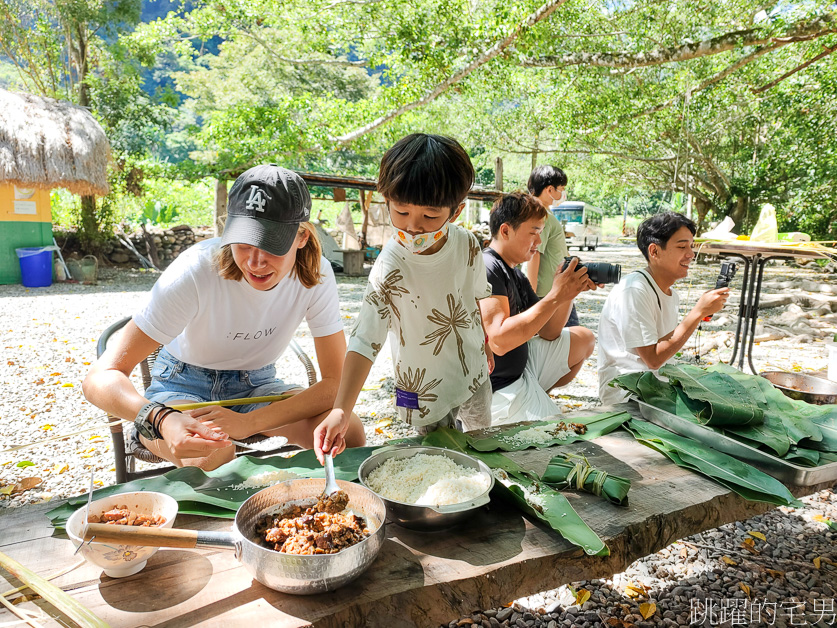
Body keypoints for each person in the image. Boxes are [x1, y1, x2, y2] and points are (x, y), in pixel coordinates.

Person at [82, 165, 365, 470]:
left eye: (272, 245)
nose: (255, 262)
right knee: (213, 454)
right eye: (244, 242)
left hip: (258, 384)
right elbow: (98, 378)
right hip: (181, 387)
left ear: (302, 237)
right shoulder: (195, 270)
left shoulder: (317, 273)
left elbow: (335, 384)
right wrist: (160, 418)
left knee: (349, 433)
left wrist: (248, 421)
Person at [313, 133, 493, 462]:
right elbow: (365, 340)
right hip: (423, 389)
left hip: (474, 373)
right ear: (387, 201)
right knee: (440, 462)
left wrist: (486, 345)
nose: (412, 227)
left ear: (456, 211)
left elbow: (474, 299)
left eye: (429, 216)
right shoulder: (391, 265)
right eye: (401, 211)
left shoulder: (468, 244)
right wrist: (341, 409)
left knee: (484, 449)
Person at [480, 193, 597, 425]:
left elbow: (549, 332)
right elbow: (499, 342)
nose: (538, 242)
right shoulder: (487, 266)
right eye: (533, 233)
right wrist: (555, 296)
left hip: (523, 372)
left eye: (540, 234)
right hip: (497, 387)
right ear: (505, 231)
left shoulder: (514, 272)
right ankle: (520, 408)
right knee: (557, 435)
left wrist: (568, 294)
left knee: (584, 337)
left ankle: (535, 395)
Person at [597, 211, 730, 405]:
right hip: (629, 393)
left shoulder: (669, 293)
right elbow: (653, 359)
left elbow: (662, 349)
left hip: (658, 384)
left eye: (691, 246)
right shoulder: (634, 290)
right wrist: (697, 313)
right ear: (655, 251)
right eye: (682, 246)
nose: (691, 254)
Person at [524, 164, 580, 326]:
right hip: (550, 293)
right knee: (569, 341)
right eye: (561, 188)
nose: (562, 193)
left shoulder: (537, 212)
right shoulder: (541, 215)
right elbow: (533, 254)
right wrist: (531, 297)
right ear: (550, 190)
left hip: (552, 292)